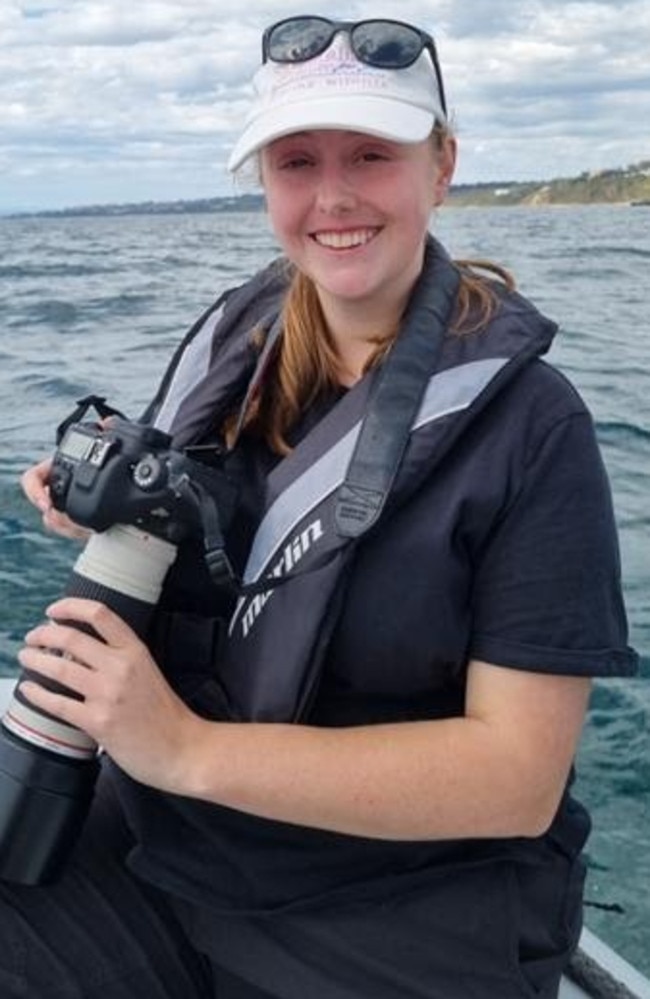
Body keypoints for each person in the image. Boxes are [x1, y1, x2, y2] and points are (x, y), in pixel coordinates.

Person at [2, 15, 638, 999]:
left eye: (372, 156)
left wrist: (185, 749)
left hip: (392, 912)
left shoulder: (531, 429)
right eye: (296, 160)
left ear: (441, 166)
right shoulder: (235, 338)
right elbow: (213, 532)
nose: (333, 197)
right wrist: (112, 516)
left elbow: (514, 778)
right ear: (263, 182)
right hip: (175, 850)